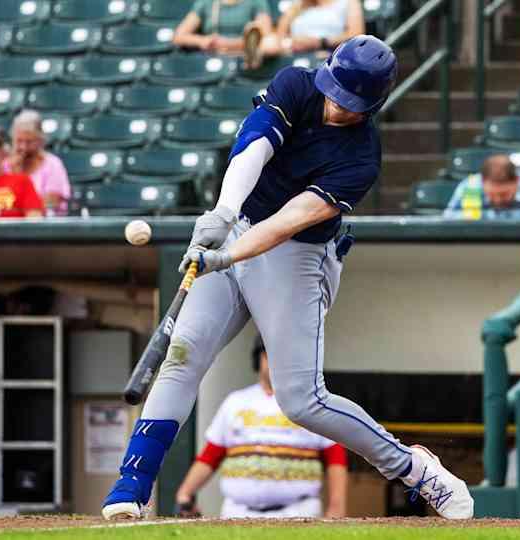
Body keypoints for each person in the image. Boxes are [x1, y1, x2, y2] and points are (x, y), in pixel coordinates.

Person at [102, 35, 474, 521]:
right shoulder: (296, 85)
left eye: (350, 102)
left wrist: (228, 255)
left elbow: (290, 220)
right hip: (238, 224)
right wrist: (223, 215)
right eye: (335, 93)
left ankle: (414, 469)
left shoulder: (361, 158)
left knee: (302, 401)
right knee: (183, 355)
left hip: (296, 256)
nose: (337, 106)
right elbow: (254, 146)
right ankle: (132, 484)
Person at [174, 335, 348, 518]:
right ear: (259, 359)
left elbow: (335, 457)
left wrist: (337, 507)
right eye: (270, 355)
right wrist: (185, 492)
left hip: (299, 512)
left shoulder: (312, 403)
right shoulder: (235, 402)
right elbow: (210, 456)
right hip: (238, 513)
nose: (277, 362)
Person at [244, 0, 365, 69]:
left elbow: (356, 35)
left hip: (326, 52)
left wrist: (319, 42)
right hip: (293, 50)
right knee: (270, 42)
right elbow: (280, 33)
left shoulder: (348, 2)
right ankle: (255, 55)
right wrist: (292, 42)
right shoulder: (299, 5)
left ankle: (255, 60)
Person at [3, 110, 71, 216]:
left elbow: (52, 201)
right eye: (19, 141)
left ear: (40, 140)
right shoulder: (5, 165)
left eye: (29, 142)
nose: (23, 147)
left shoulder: (53, 164)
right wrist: (15, 171)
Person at [443, 154, 520, 220]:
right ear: (482, 181)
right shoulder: (470, 187)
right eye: (492, 195)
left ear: (517, 180)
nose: (498, 200)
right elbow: (448, 218)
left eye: (504, 194)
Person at [173, 0, 273, 56]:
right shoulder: (206, 3)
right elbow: (179, 36)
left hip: (244, 55)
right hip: (213, 55)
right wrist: (202, 40)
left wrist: (229, 43)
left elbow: (265, 34)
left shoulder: (256, 2)